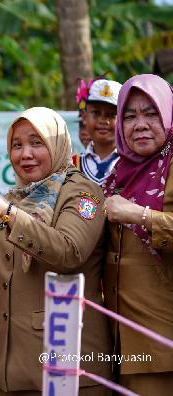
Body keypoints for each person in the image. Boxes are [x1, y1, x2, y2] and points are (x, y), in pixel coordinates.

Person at [0, 107, 111, 395]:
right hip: (12, 367)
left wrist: (9, 213)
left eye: (37, 143)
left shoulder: (82, 193)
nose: (25, 154)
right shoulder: (15, 199)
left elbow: (69, 251)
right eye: (17, 145)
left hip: (68, 363)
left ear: (57, 144)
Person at [104, 74, 173, 393]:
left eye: (151, 113)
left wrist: (140, 215)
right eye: (130, 116)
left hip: (163, 343)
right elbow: (90, 223)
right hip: (118, 343)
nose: (140, 125)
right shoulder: (117, 173)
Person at [73, 79, 122, 185]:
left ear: (123, 119)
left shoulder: (131, 165)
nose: (103, 121)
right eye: (96, 113)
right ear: (84, 117)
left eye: (111, 115)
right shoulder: (71, 165)